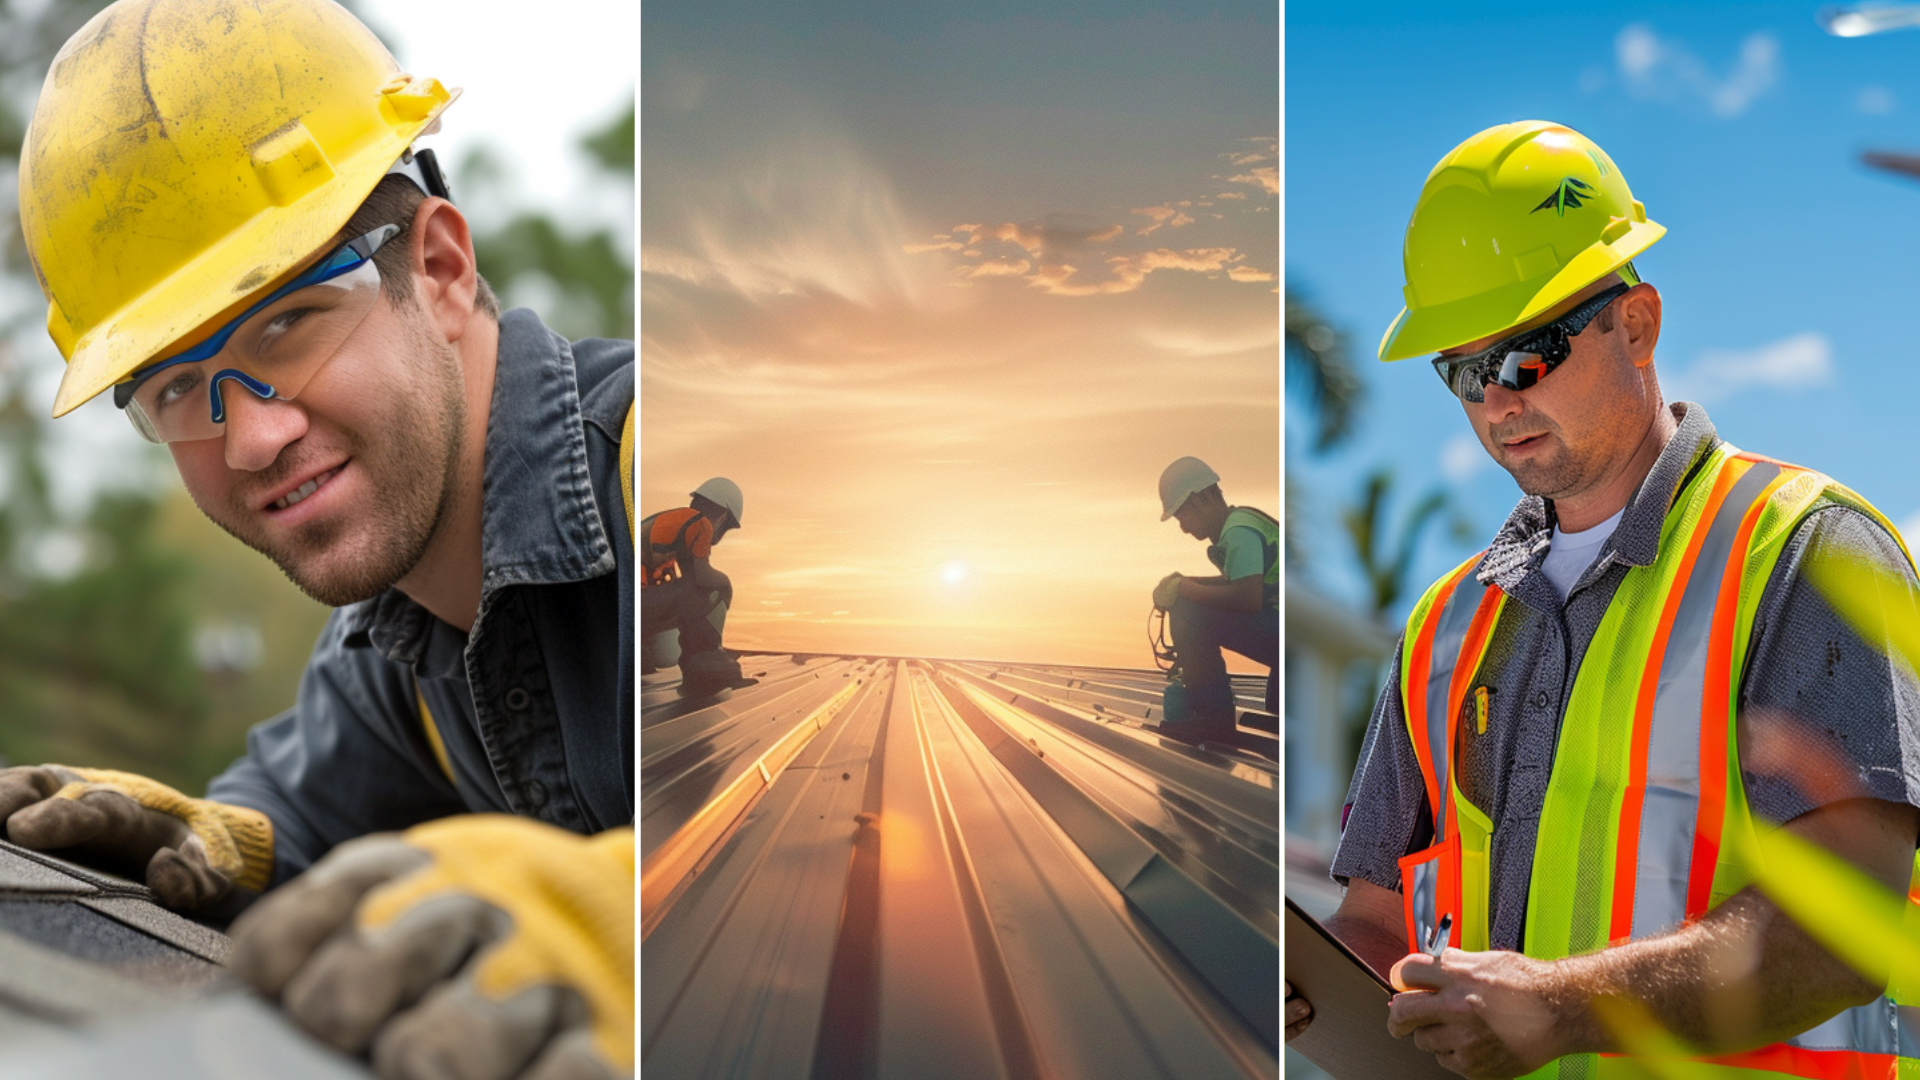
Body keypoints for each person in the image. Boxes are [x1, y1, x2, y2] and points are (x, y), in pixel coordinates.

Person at [4, 1, 633, 1077]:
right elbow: (289, 814)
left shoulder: (672, 492)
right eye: (179, 388)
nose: (250, 437)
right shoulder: (389, 648)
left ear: (436, 270)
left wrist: (627, 921)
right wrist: (225, 844)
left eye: (288, 322)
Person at [1285, 120, 1920, 1078]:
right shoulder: (1447, 628)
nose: (1497, 403)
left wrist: (1565, 1003)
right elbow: (1377, 920)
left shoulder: (1804, 551)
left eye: (1524, 357)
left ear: (1636, 324)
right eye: (1463, 372)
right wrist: (1309, 988)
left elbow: (1846, 925)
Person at [1153, 456, 1278, 745]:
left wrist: (1183, 590)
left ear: (1200, 500)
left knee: (1187, 609)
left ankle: (1213, 719)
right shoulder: (1241, 525)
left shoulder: (1238, 533)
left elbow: (1247, 598)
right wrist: (1187, 581)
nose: (1183, 527)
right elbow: (1244, 583)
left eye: (1182, 516)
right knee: (1276, 706)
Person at [641, 478, 748, 697]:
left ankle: (640, 656)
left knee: (669, 651)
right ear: (723, 515)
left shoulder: (674, 522)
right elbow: (700, 581)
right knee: (717, 586)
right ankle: (705, 665)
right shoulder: (699, 523)